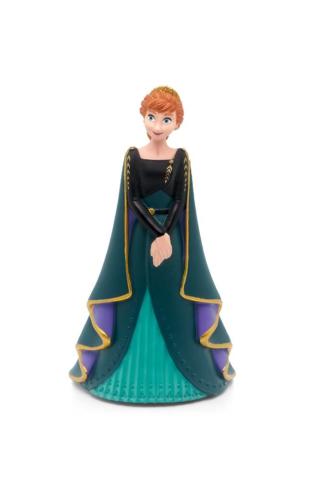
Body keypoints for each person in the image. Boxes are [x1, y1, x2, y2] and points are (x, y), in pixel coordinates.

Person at [69, 86, 235, 404]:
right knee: (134, 293)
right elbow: (132, 201)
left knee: (174, 293)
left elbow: (181, 202)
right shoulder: (132, 158)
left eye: (166, 119)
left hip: (172, 242)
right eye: (152, 117)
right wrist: (157, 233)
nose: (158, 125)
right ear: (143, 118)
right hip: (139, 242)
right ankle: (123, 375)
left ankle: (185, 375)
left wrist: (166, 234)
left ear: (177, 123)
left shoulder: (181, 159)